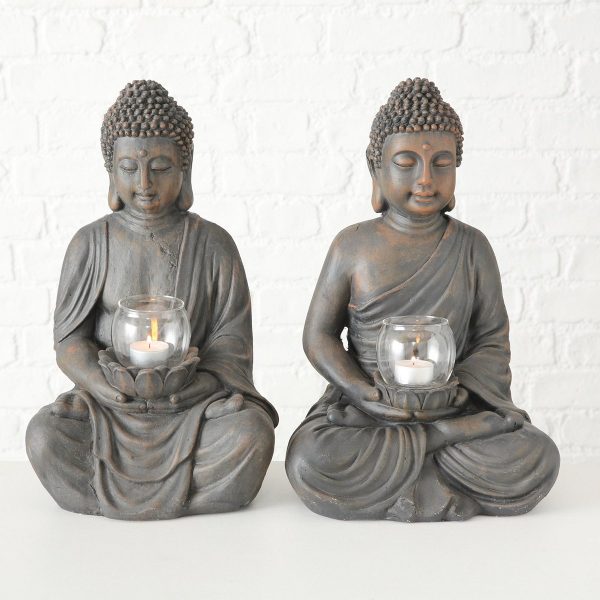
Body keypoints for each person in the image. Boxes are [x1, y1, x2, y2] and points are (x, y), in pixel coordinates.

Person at [285, 78, 559, 522]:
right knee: (309, 457)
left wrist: (459, 394)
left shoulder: (472, 247)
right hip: (371, 411)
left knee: (536, 454)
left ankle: (429, 446)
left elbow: (492, 339)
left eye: (441, 163)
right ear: (376, 168)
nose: (426, 179)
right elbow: (318, 336)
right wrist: (362, 392)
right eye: (406, 163)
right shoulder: (352, 246)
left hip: (452, 404)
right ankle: (439, 448)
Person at [26, 80, 277, 520]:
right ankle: (162, 493)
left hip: (192, 406)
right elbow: (70, 341)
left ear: (185, 168)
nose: (144, 183)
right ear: (111, 172)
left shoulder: (214, 245)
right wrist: (103, 386)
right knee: (44, 436)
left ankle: (193, 494)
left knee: (251, 434)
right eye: (129, 168)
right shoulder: (91, 244)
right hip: (110, 407)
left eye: (160, 167)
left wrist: (197, 387)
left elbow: (231, 345)